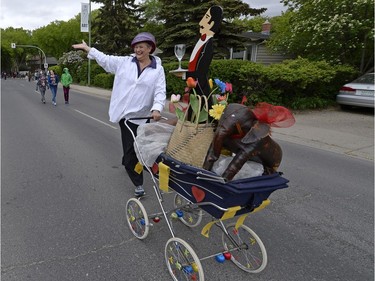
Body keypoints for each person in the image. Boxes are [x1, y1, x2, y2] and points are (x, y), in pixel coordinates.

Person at [72, 32, 166, 197]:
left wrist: (157, 108)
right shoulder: (125, 62)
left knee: (142, 147)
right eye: (136, 47)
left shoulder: (157, 70)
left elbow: (160, 91)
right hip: (127, 116)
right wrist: (88, 49)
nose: (138, 50)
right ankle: (138, 183)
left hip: (144, 116)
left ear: (150, 48)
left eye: (141, 47)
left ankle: (130, 161)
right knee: (132, 152)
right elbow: (105, 59)